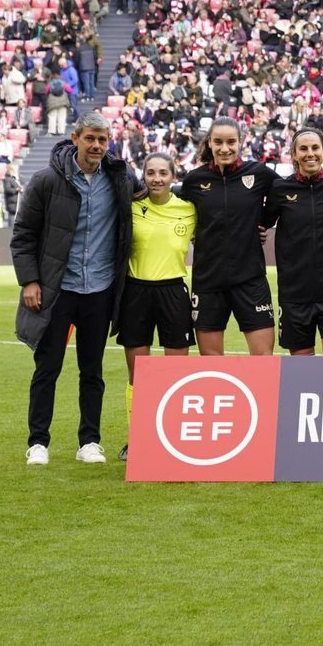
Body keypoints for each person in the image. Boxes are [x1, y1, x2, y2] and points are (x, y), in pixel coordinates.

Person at [12, 112, 132, 466]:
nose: (96, 146)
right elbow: (23, 235)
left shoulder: (119, 180)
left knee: (92, 370)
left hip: (100, 289)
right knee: (47, 367)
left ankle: (89, 441)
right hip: (57, 290)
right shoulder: (46, 181)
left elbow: (152, 195)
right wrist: (30, 281)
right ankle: (38, 442)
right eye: (90, 138)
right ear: (76, 138)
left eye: (103, 140)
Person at [116, 152, 195, 461]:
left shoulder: (189, 210)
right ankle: (136, 437)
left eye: (163, 172)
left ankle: (172, 436)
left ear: (173, 176)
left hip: (174, 291)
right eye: (151, 172)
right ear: (144, 176)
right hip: (136, 292)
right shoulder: (132, 208)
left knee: (175, 373)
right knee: (139, 375)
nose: (157, 178)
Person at [178, 118, 278, 357]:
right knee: (212, 364)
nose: (225, 148)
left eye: (231, 142)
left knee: (264, 360)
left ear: (240, 142)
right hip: (208, 282)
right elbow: (171, 206)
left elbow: (292, 191)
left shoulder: (259, 173)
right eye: (219, 142)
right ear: (209, 143)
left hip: (250, 279)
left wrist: (265, 221)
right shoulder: (194, 180)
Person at [260, 128, 323, 358]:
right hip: (295, 294)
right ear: (294, 154)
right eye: (303, 149)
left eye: (315, 148)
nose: (310, 153)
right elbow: (259, 223)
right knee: (301, 367)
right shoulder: (280, 189)